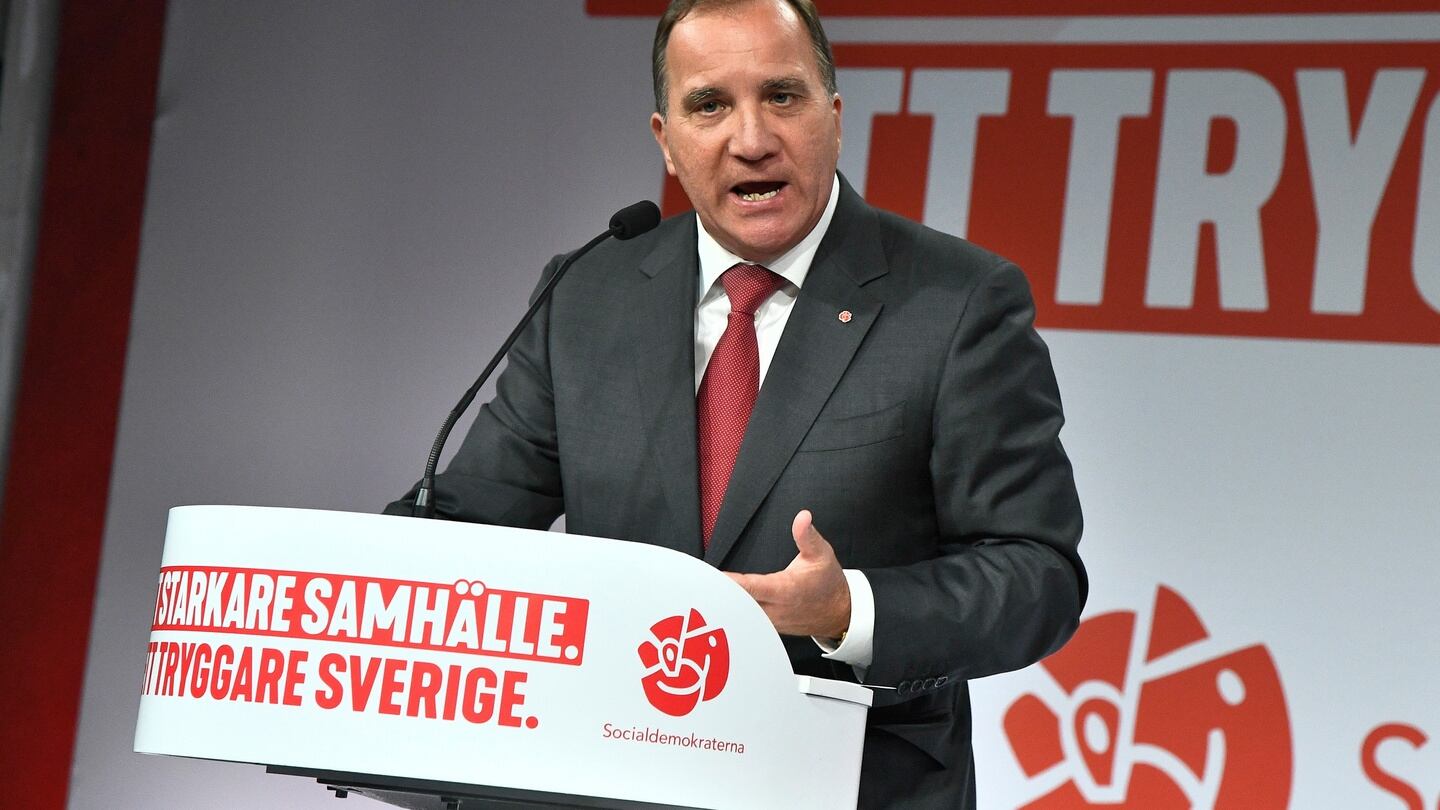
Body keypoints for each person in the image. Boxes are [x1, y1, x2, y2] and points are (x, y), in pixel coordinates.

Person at [388, 0, 1085, 806]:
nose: (751, 138)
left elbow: (1037, 576)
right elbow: (468, 525)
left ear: (834, 115)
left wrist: (848, 607)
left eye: (782, 96)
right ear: (667, 141)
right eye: (710, 104)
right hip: (602, 782)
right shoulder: (588, 293)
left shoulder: (958, 302)